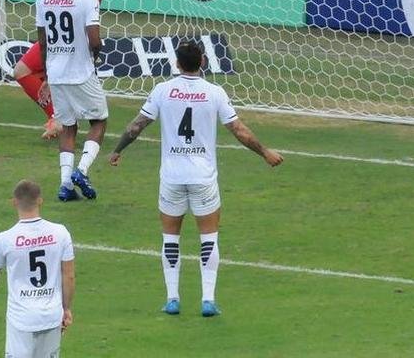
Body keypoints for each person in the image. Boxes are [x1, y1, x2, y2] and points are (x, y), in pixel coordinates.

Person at [108, 40, 283, 317]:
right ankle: (208, 300)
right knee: (209, 237)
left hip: (172, 177)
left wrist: (117, 150)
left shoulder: (162, 90)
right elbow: (239, 130)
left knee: (170, 238)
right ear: (202, 61)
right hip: (203, 178)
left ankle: (172, 299)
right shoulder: (214, 92)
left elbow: (137, 125)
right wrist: (264, 152)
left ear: (176, 63)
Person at [14, 0, 100, 140]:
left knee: (22, 71)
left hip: (62, 34)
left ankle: (57, 117)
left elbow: (66, 3)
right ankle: (62, 116)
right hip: (77, 32)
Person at [36, 0, 106, 203]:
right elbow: (94, 39)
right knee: (98, 121)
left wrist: (45, 74)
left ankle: (65, 185)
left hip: (55, 72)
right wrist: (94, 56)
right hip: (81, 71)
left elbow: (42, 42)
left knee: (68, 127)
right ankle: (82, 170)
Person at [0, 179, 75, 358]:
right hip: (51, 315)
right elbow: (69, 276)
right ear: (40, 200)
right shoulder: (60, 233)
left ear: (14, 202)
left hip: (21, 319)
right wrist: (66, 309)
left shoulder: (5, 239)